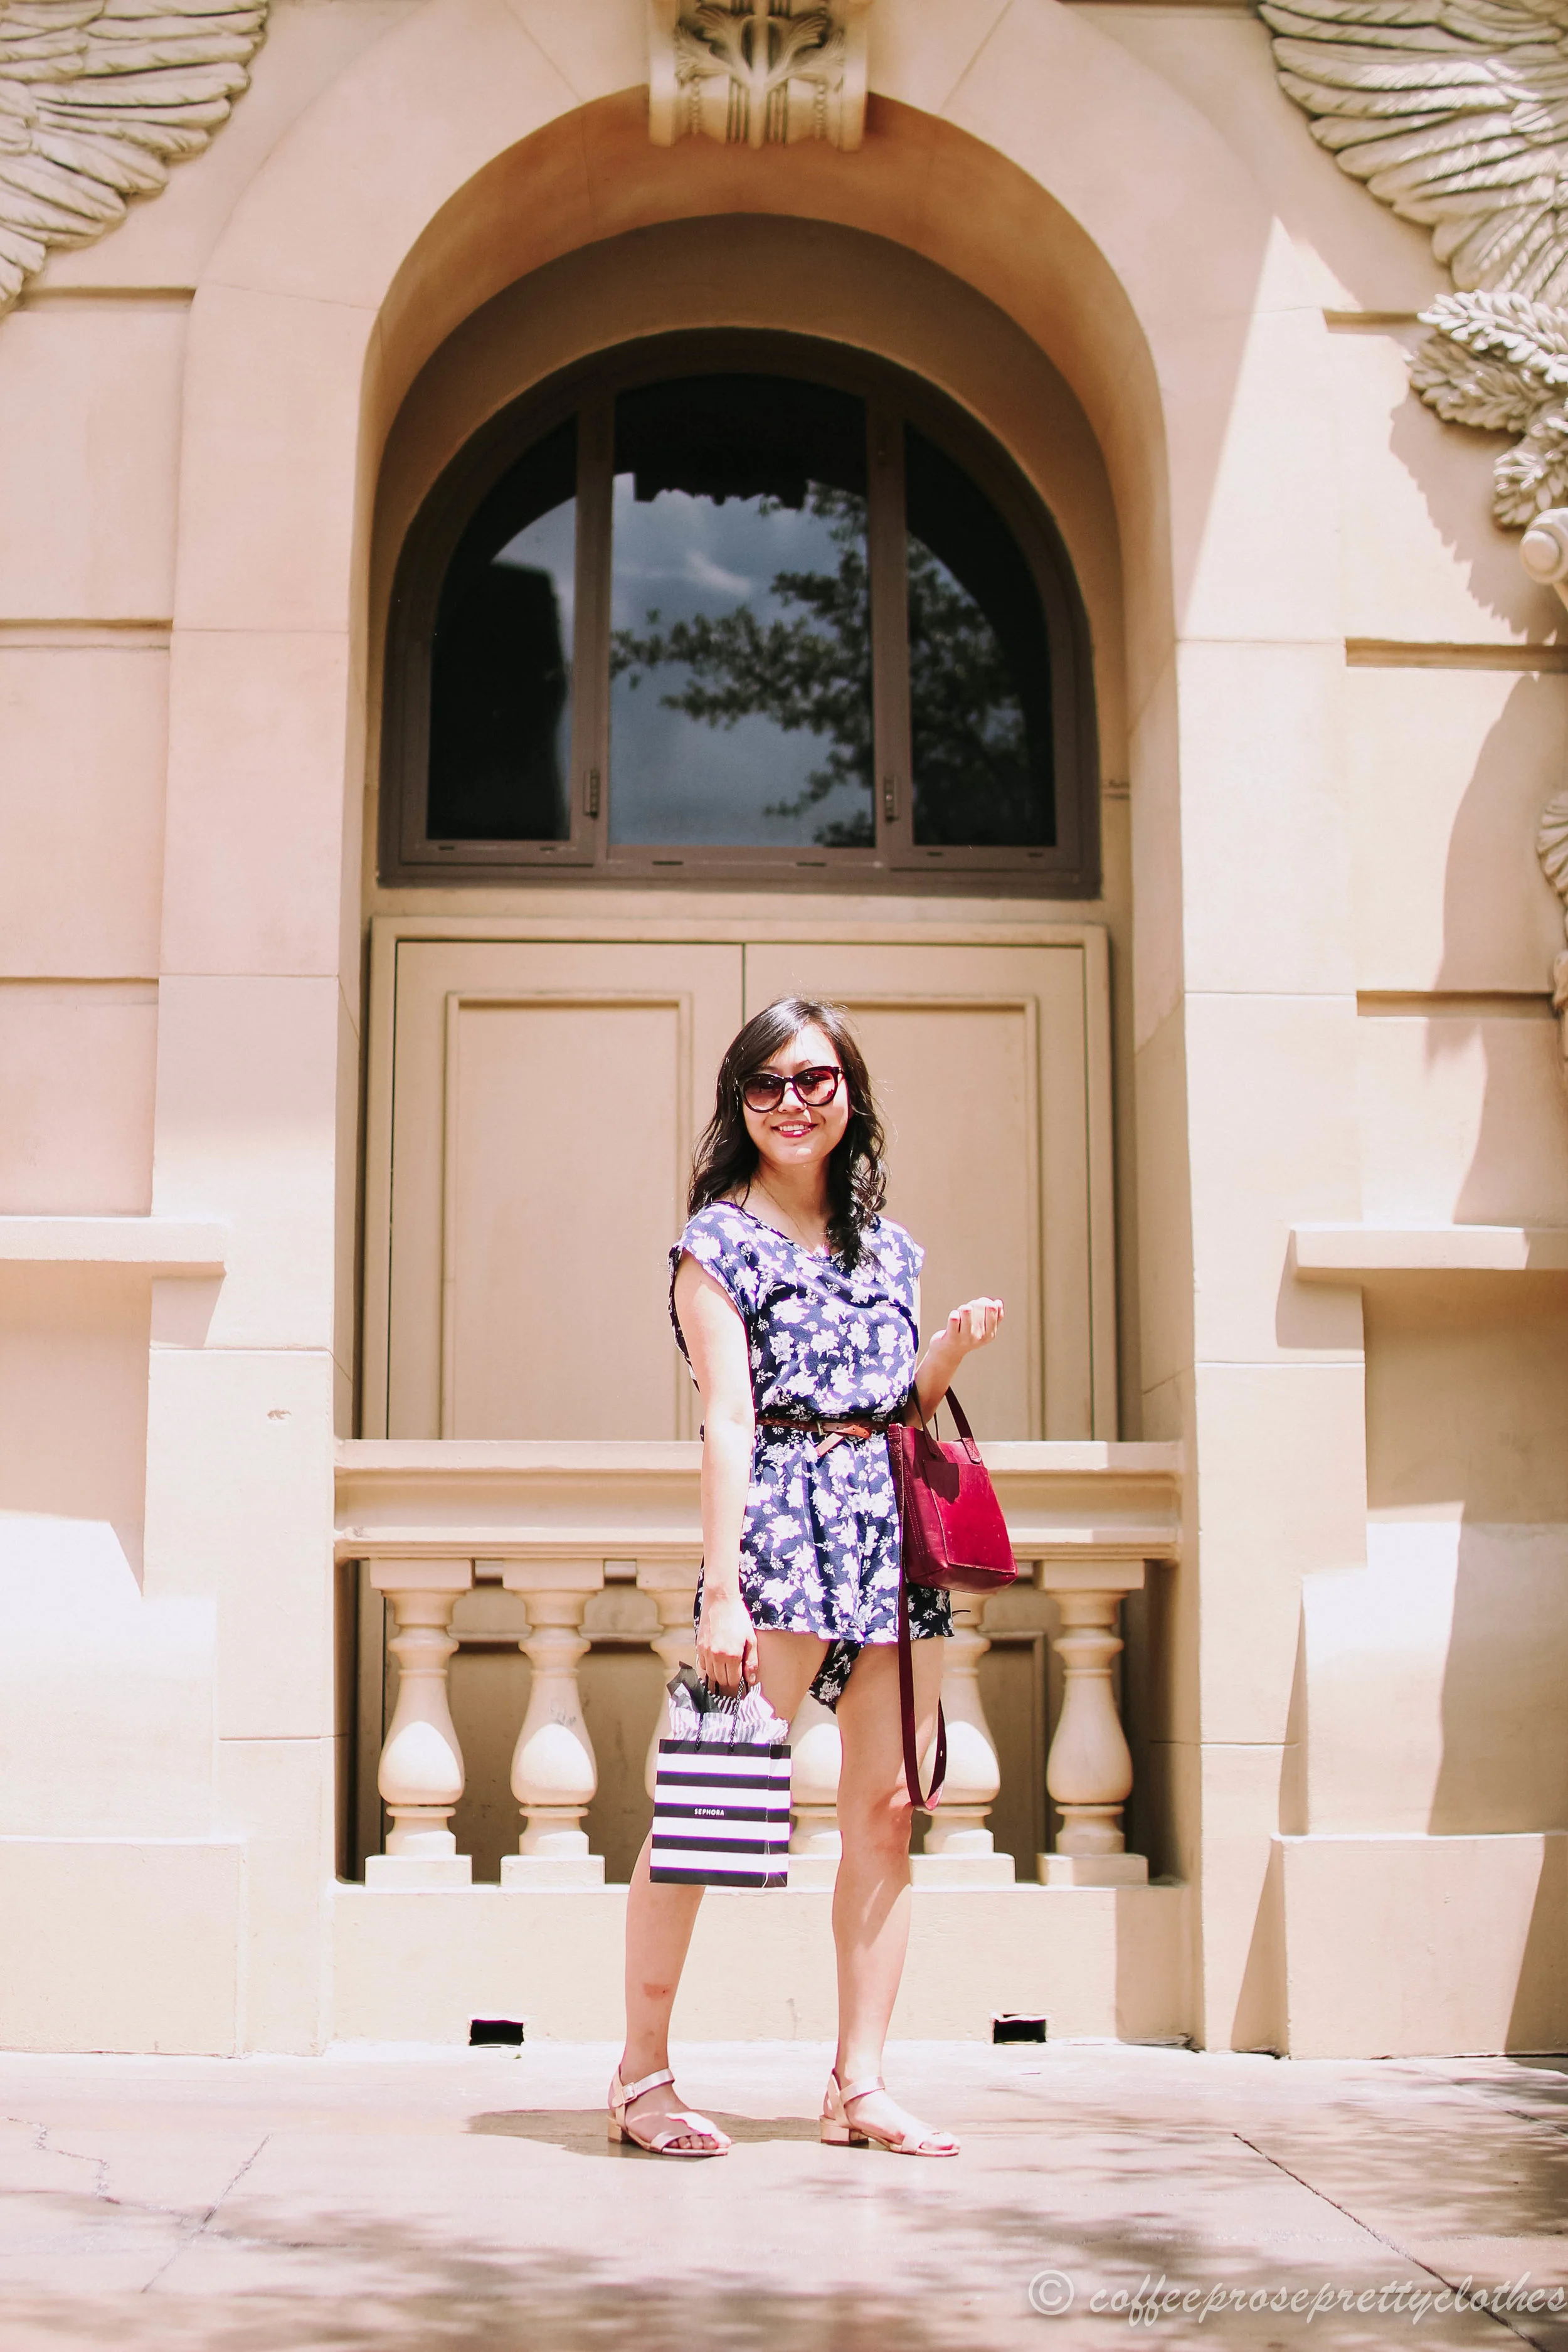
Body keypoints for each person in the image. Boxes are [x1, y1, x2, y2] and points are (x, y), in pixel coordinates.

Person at [610, 997, 1004, 2159]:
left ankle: (858, 2083)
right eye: (769, 1083)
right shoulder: (713, 1243)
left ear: (850, 1097)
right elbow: (727, 1419)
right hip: (780, 1528)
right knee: (706, 1805)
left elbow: (896, 1410)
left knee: (885, 1809)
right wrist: (722, 1588)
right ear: (739, 1104)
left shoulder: (892, 1247)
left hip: (884, 1539)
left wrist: (946, 1356)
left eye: (817, 1080)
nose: (794, 1102)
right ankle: (642, 2077)